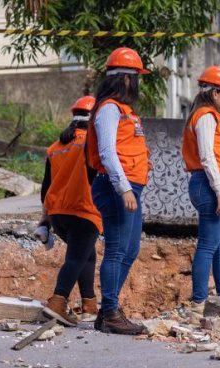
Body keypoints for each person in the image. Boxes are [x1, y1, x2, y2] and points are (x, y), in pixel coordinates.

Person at [86, 47, 151, 335]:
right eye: (136, 77)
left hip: (127, 186)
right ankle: (110, 312)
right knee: (116, 248)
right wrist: (123, 188)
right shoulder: (109, 108)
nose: (138, 84)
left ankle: (107, 310)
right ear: (125, 79)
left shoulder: (123, 110)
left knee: (130, 248)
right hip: (116, 186)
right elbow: (107, 152)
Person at [181, 66, 220, 320]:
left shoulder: (212, 117)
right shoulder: (205, 116)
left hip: (215, 185)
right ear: (215, 92)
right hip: (210, 185)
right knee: (207, 247)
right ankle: (198, 305)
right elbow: (206, 156)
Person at [40, 95, 102, 327]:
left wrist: (44, 220)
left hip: (58, 214)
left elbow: (45, 186)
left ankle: (89, 305)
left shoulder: (56, 147)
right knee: (77, 257)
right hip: (83, 209)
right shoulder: (90, 143)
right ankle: (58, 302)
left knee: (86, 254)